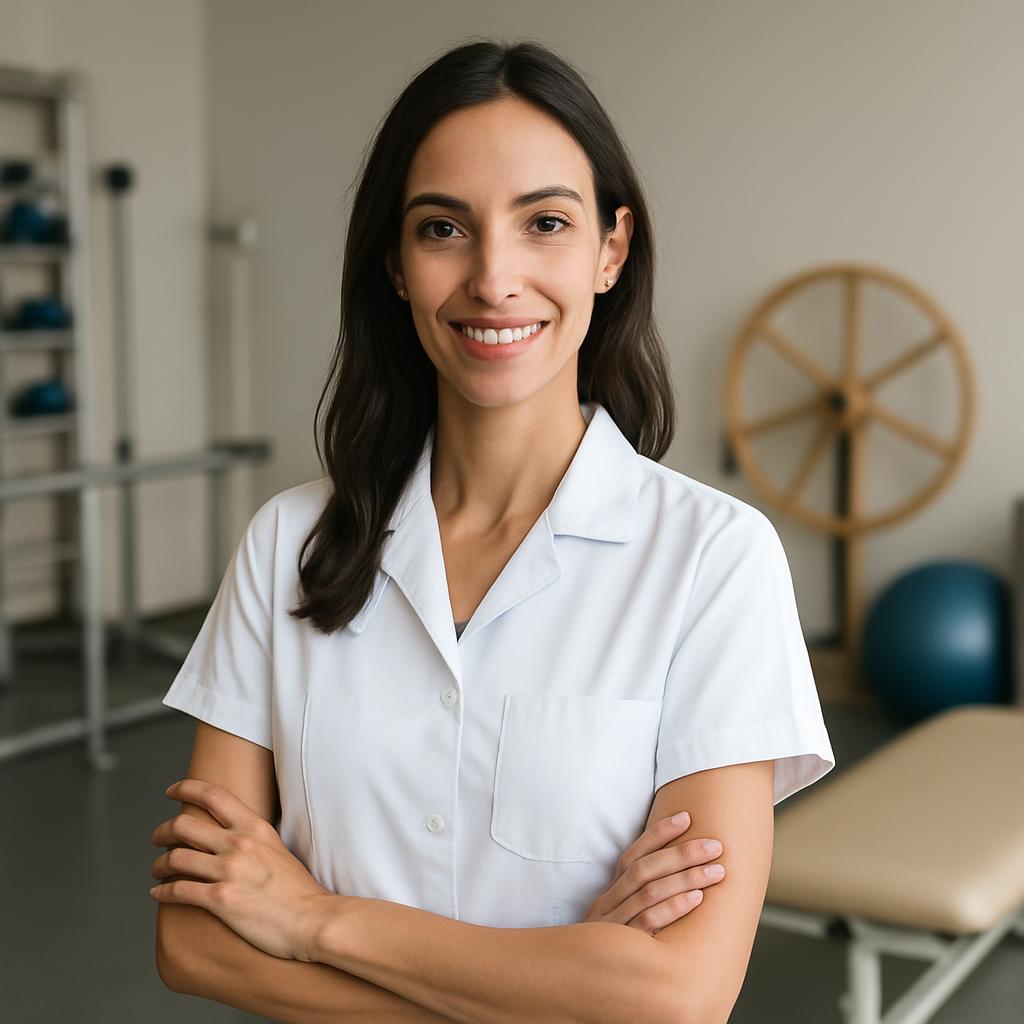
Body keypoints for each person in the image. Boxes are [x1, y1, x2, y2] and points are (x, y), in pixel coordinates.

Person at [151, 37, 835, 1023]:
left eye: (545, 222)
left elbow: (677, 994)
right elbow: (194, 939)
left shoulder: (713, 559)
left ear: (611, 249)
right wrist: (558, 986)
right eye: (443, 229)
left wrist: (309, 918)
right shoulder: (287, 545)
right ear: (394, 261)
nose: (493, 277)